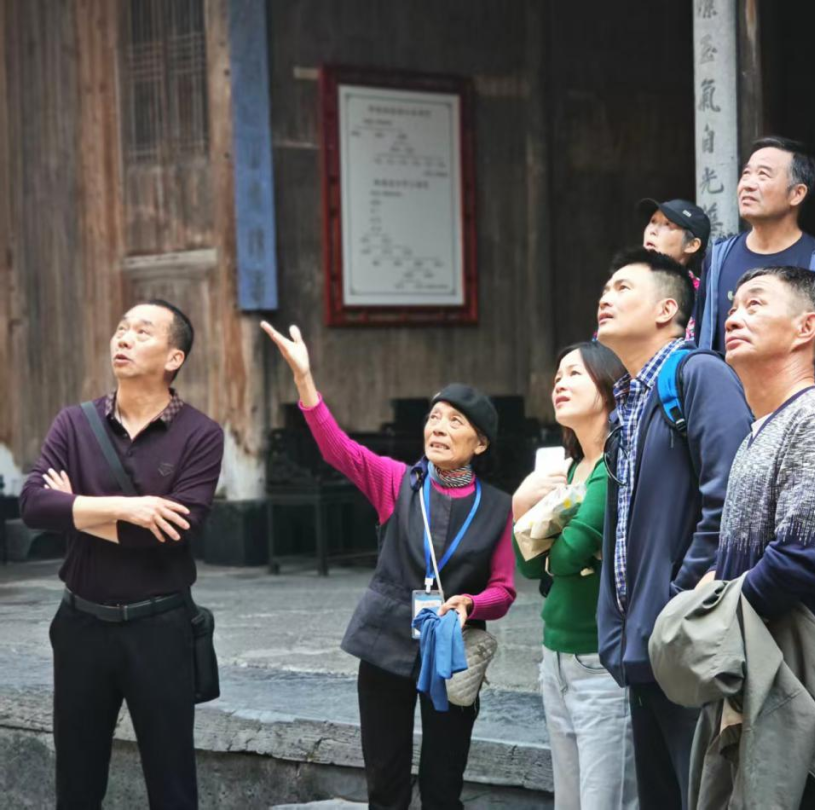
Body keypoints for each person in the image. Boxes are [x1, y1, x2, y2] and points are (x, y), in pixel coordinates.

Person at [260, 321, 516, 810]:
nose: (438, 428)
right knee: (385, 779)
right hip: (385, 641)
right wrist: (304, 379)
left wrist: (470, 603)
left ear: (480, 443)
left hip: (451, 648)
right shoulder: (397, 481)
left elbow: (504, 589)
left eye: (455, 422)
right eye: (434, 418)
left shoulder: (498, 507)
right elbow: (338, 449)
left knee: (444, 784)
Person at [19, 300, 225, 809]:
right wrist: (127, 508)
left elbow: (172, 532)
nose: (124, 339)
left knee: (172, 785)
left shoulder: (201, 435)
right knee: (76, 783)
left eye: (142, 331)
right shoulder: (74, 423)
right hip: (80, 625)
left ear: (174, 358)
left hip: (160, 628)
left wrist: (75, 508)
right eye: (121, 329)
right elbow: (33, 506)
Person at [702, 266, 815, 809]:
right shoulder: (762, 429)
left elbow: (796, 562)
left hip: (803, 699)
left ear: (806, 328)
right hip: (759, 685)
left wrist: (708, 615)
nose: (734, 316)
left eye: (755, 304)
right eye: (733, 306)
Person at [594, 248, 752, 809]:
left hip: (683, 643)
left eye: (622, 288)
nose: (605, 298)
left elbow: (730, 501)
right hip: (641, 648)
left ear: (667, 310)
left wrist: (677, 604)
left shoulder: (699, 375)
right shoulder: (627, 399)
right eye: (605, 290)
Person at [511, 341, 638, 810]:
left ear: (607, 386)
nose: (560, 384)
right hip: (555, 659)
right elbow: (529, 565)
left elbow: (565, 557)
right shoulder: (564, 470)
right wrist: (520, 503)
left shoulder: (612, 466)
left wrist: (549, 539)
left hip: (599, 661)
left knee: (605, 802)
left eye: (574, 374)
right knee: (569, 800)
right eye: (557, 377)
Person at [693, 137, 815, 411]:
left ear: (797, 194)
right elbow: (701, 342)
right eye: (746, 173)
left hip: (795, 420)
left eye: (763, 175)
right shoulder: (718, 259)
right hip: (724, 418)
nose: (748, 184)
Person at [638, 198, 711, 340]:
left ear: (691, 245)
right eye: (653, 221)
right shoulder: (626, 281)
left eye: (667, 225)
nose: (653, 230)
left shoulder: (701, 297)